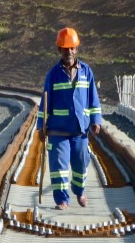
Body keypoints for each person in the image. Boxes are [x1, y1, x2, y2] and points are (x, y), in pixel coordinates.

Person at [37, 27, 102, 210]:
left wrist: (96, 120)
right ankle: (62, 200)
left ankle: (79, 190)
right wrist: (41, 126)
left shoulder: (86, 72)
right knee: (59, 167)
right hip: (58, 130)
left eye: (72, 48)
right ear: (59, 50)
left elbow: (93, 99)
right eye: (65, 49)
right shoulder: (53, 74)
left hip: (79, 130)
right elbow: (45, 102)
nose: (69, 52)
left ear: (77, 49)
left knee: (81, 163)